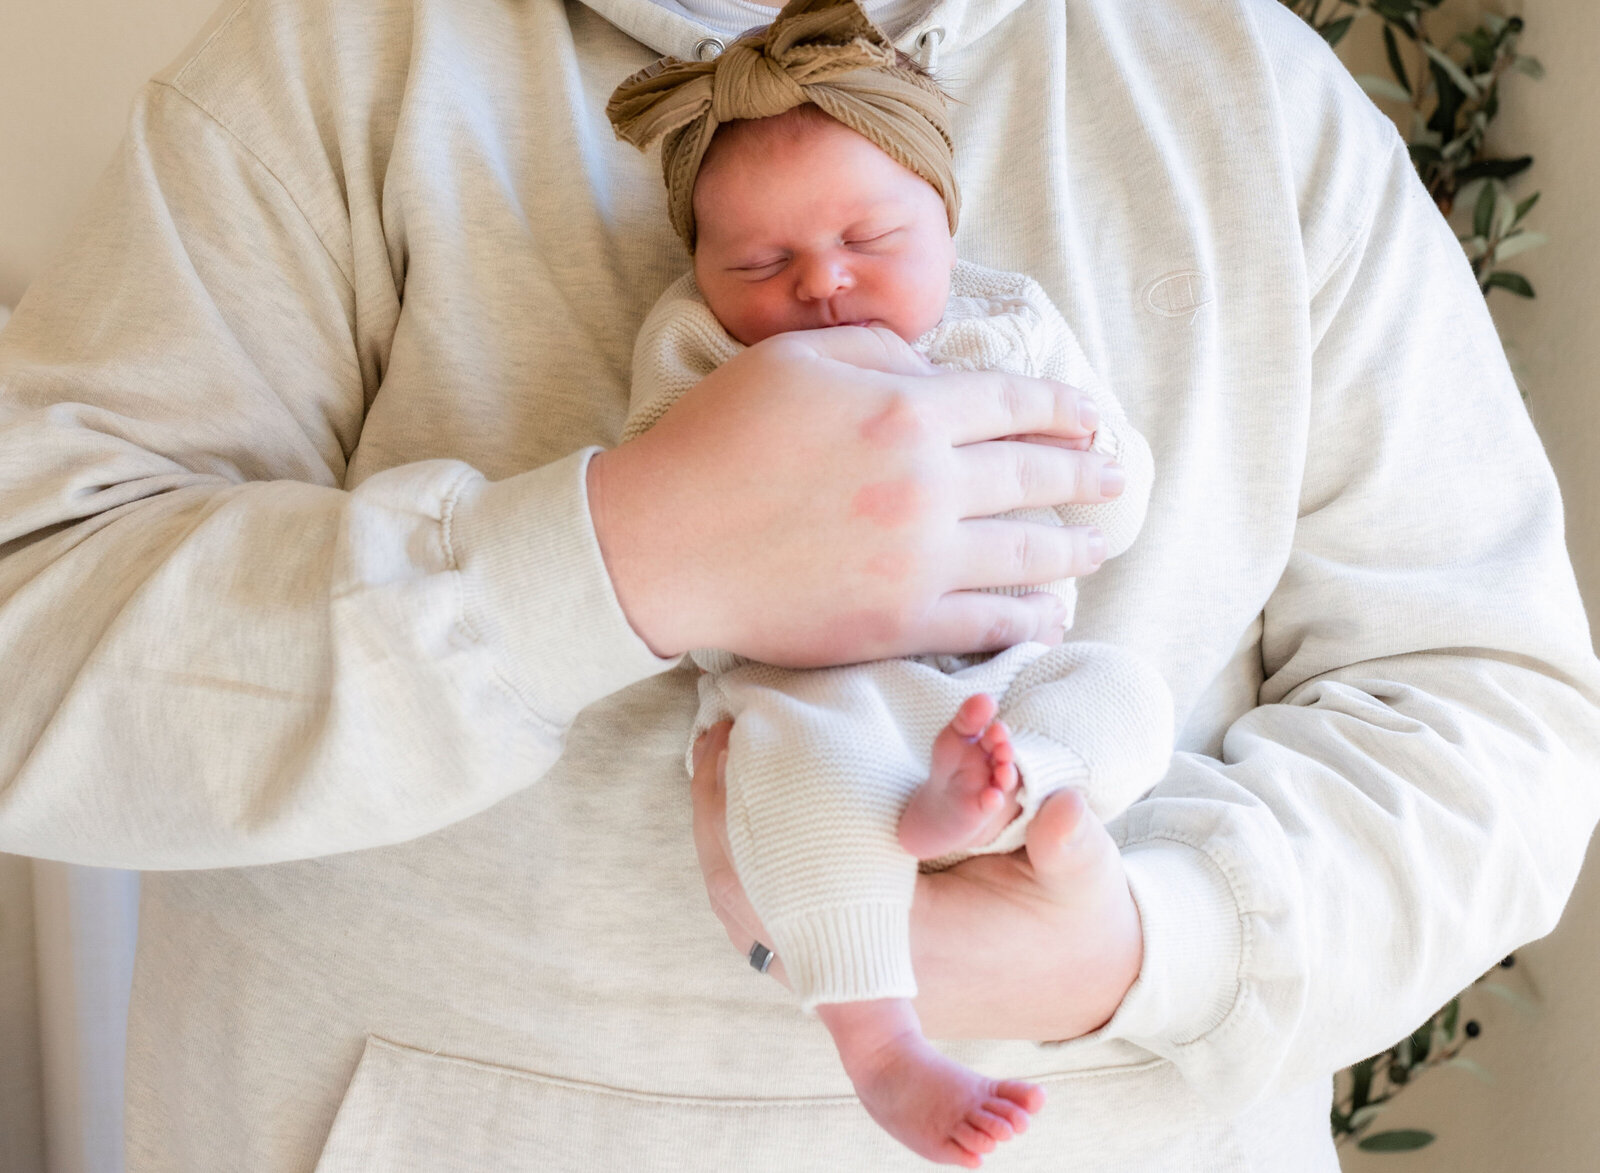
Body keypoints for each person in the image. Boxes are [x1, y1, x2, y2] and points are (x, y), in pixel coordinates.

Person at [0, 0, 1596, 1167]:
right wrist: (618, 554)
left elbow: (1490, 714)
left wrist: (1141, 947)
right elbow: (30, 644)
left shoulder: (1250, 95)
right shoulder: (328, 67)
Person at [604, 5, 1169, 1161]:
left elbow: (1115, 500)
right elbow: (664, 493)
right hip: (811, 682)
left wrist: (1086, 464)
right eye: (759, 263)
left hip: (1005, 672)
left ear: (946, 222)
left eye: (871, 235)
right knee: (787, 775)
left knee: (1123, 694)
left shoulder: (1004, 328)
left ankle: (1015, 794)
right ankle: (881, 1045)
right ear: (701, 271)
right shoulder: (695, 350)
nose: (822, 282)